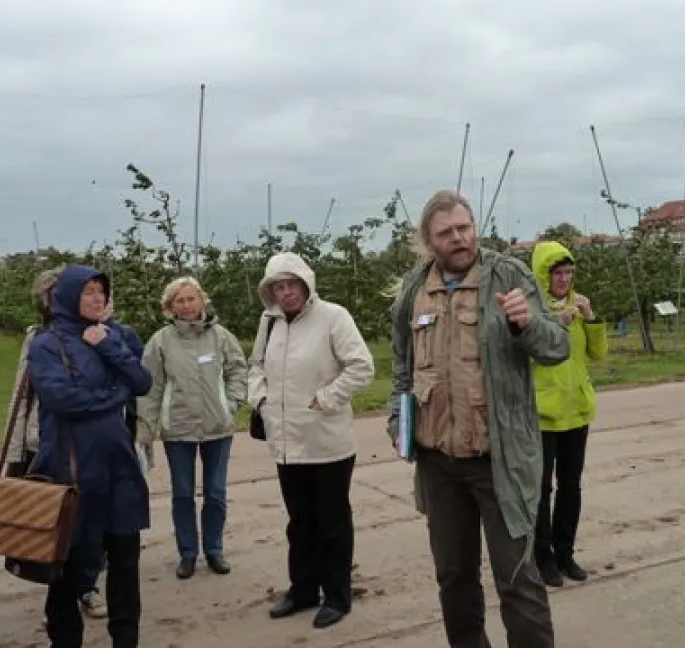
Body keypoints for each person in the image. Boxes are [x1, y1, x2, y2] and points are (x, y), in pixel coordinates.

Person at [387, 190, 570, 648]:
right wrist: (398, 420)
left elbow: (555, 347)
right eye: (446, 232)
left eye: (464, 227)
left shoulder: (507, 275)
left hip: (498, 460)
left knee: (517, 578)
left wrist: (527, 323)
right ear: (428, 241)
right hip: (438, 462)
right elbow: (401, 368)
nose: (459, 238)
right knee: (454, 577)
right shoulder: (414, 289)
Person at [247, 251, 375, 629]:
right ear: (269, 291)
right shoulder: (268, 323)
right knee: (299, 521)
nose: (286, 293)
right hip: (286, 442)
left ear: (306, 284)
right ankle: (303, 589)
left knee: (332, 522)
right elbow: (255, 365)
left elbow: (362, 366)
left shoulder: (334, 317)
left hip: (327, 442)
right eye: (278, 287)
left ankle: (337, 595)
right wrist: (261, 399)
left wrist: (327, 398)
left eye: (291, 285)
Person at [27, 265, 153, 648]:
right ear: (66, 297)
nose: (98, 298)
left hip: (118, 466)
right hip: (72, 470)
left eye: (101, 290)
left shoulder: (113, 335)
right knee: (67, 568)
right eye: (88, 291)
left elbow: (143, 382)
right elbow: (62, 398)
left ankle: (126, 639)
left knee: (125, 561)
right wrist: (116, 394)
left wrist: (107, 345)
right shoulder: (47, 344)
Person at [137, 276, 248, 580]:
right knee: (183, 494)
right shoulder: (160, 342)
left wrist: (232, 402)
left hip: (218, 428)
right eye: (179, 301)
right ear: (169, 307)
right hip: (179, 430)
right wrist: (145, 430)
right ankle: (188, 553)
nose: (186, 305)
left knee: (215, 492)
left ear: (202, 300)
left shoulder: (221, 337)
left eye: (191, 298)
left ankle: (214, 549)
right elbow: (150, 387)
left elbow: (238, 369)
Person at [528, 241, 607, 587]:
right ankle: (541, 558)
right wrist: (555, 323)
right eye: (557, 273)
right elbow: (527, 352)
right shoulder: (532, 310)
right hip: (544, 413)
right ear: (543, 275)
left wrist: (591, 319)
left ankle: (566, 553)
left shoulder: (578, 305)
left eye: (569, 273)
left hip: (576, 409)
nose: (564, 279)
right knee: (541, 488)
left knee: (571, 486)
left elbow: (599, 354)